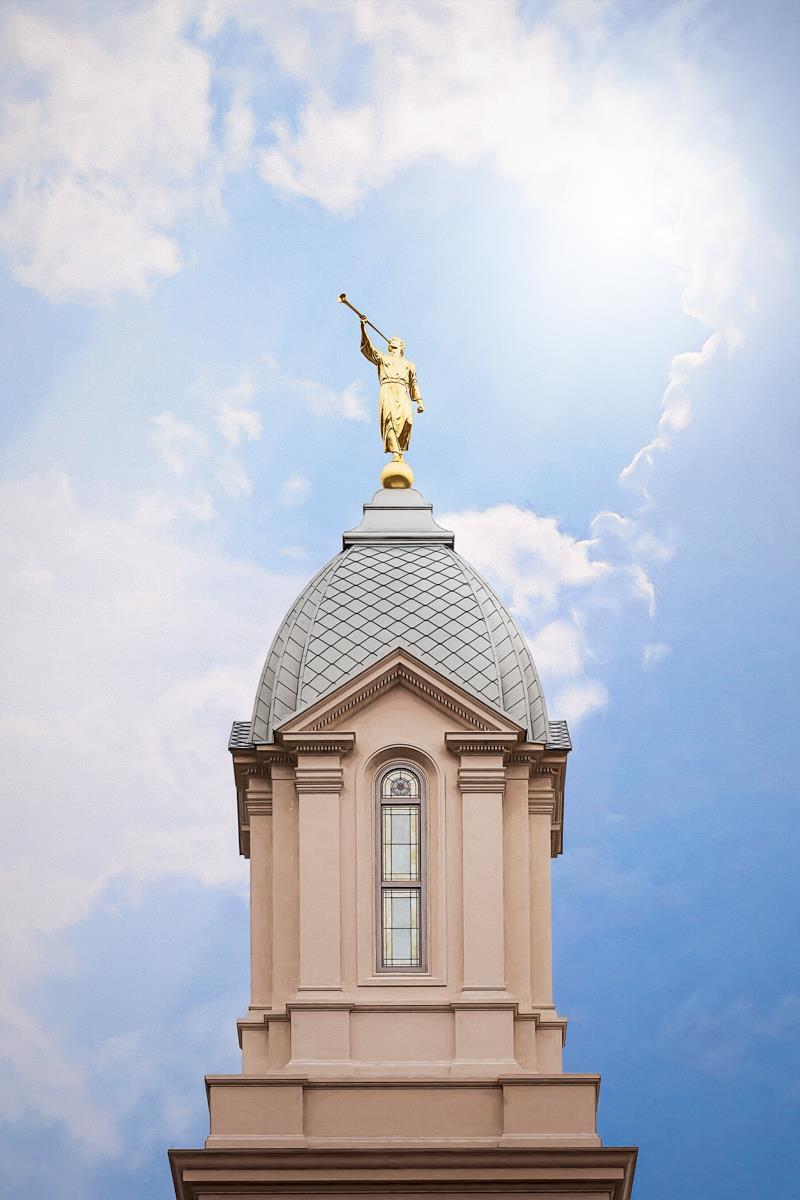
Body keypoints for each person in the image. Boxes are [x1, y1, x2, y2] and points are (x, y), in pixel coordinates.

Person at [360, 319, 424, 461]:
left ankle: (400, 448)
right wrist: (363, 329)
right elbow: (369, 350)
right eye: (391, 341)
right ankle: (396, 452)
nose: (392, 341)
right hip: (387, 388)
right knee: (389, 421)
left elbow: (414, 383)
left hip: (402, 390)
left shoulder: (409, 364)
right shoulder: (383, 358)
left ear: (401, 346)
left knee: (409, 420)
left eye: (395, 341)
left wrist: (419, 401)